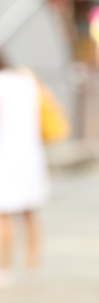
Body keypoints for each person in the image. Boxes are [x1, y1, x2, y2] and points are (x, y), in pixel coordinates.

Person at [0, 53, 49, 288]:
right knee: (30, 214)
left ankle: (5, 268)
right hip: (31, 154)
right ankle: (32, 266)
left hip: (6, 155)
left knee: (4, 216)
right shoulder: (27, 78)